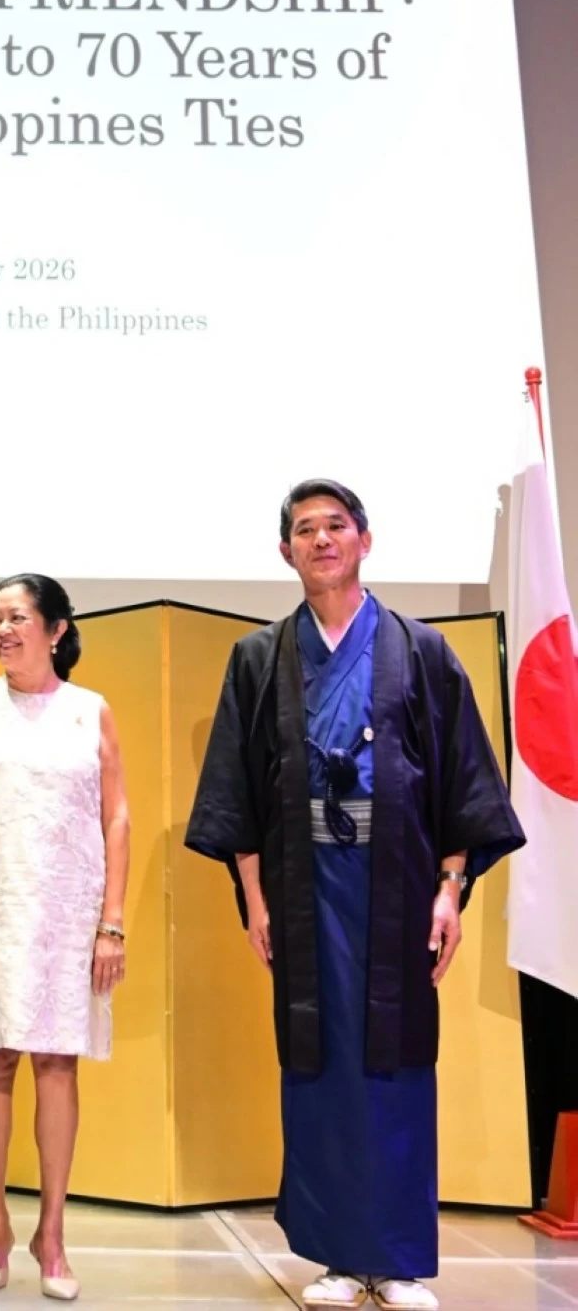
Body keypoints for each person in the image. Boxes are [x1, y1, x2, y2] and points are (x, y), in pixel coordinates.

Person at [185, 482, 524, 1311]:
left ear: (365, 541)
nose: (321, 540)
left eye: (336, 526)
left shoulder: (423, 650)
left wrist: (450, 889)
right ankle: (337, 1255)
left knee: (398, 1064)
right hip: (304, 887)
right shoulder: (260, 656)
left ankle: (398, 1258)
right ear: (285, 552)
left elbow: (457, 782)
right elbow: (239, 790)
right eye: (305, 530)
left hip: (401, 884)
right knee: (320, 1063)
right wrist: (254, 898)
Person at [0, 573, 130, 1302]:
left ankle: (52, 1232)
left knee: (57, 1062)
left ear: (57, 629)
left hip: (68, 910)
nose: (4, 630)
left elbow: (116, 818)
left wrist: (112, 921)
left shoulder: (90, 712)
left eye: (18, 618)